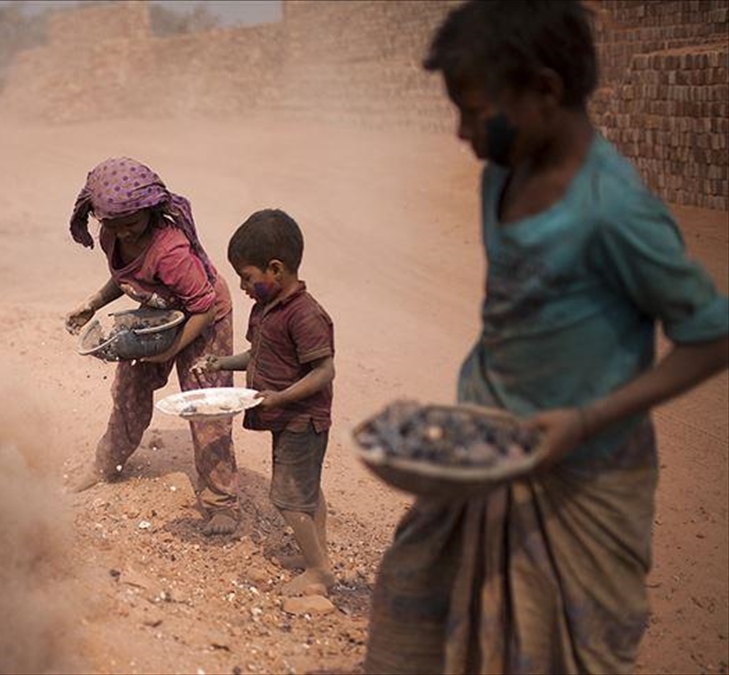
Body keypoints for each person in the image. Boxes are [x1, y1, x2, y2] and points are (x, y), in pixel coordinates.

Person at [363, 2, 729, 673]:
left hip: (582, 483)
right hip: (485, 455)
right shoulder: (501, 176)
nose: (462, 131)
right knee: (409, 612)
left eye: (474, 110)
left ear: (546, 90)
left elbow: (712, 336)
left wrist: (583, 420)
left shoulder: (614, 213)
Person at [65, 157, 240, 535]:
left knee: (205, 405)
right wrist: (92, 303)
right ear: (99, 218)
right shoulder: (112, 235)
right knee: (128, 389)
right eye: (113, 224)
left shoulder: (170, 251)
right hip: (162, 315)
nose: (124, 233)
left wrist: (170, 350)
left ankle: (221, 502)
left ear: (150, 209)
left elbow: (203, 305)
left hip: (203, 319)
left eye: (131, 223)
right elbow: (124, 277)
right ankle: (106, 463)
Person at [194, 209, 337, 596]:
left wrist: (280, 396)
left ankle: (319, 572)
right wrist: (221, 362)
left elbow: (324, 371)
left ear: (276, 269)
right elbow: (256, 355)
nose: (242, 286)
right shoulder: (266, 309)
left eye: (247, 277)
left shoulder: (305, 315)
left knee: (288, 499)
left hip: (303, 419)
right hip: (286, 418)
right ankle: (317, 556)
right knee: (308, 490)